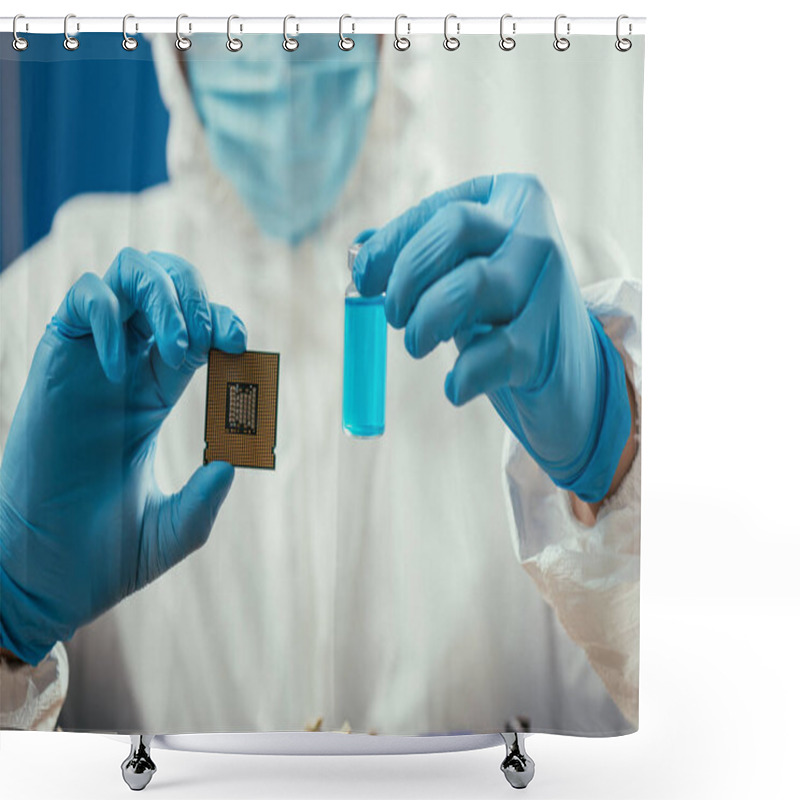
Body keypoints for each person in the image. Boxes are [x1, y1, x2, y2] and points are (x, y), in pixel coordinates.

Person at [0, 33, 641, 735]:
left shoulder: (548, 282)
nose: (280, 51)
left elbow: (706, 705)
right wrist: (10, 620)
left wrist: (617, 467)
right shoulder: (57, 312)